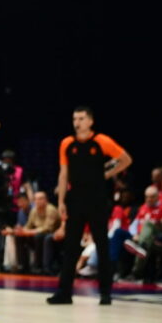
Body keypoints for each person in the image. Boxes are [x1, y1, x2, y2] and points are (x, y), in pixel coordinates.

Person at [48, 106, 132, 305]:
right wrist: (61, 201)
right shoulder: (67, 143)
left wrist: (107, 174)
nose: (77, 122)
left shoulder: (102, 141)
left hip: (97, 200)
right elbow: (63, 174)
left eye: (81, 118)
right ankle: (64, 293)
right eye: (74, 119)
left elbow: (126, 159)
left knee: (102, 246)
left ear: (90, 121)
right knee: (70, 247)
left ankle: (105, 293)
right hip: (75, 200)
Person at [5, 191, 61, 273]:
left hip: (52, 234)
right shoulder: (34, 210)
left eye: (40, 199)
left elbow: (48, 228)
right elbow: (28, 225)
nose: (37, 201)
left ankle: (39, 266)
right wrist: (19, 231)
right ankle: (23, 265)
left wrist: (30, 232)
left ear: (46, 200)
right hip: (37, 234)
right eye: (36, 199)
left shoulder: (51, 209)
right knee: (19, 236)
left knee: (39, 236)